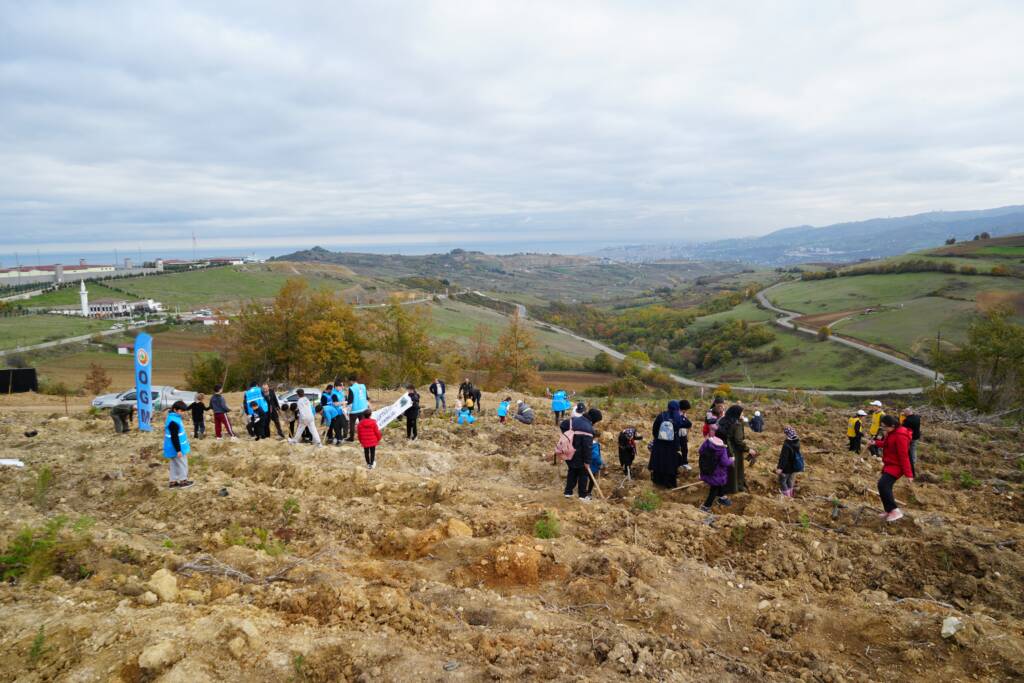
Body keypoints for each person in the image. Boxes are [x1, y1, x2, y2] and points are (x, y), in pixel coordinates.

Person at [875, 414, 913, 522]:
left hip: (897, 466)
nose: (884, 429)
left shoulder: (901, 435)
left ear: (892, 425)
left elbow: (904, 456)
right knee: (884, 486)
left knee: (883, 484)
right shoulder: (892, 432)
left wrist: (909, 474)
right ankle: (888, 510)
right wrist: (875, 443)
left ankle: (895, 511)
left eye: (885, 427)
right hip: (890, 464)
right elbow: (887, 444)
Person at [560, 408, 600, 501]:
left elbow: (563, 425)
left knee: (572, 471)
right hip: (580, 455)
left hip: (569, 451)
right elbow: (587, 447)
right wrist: (587, 461)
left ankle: (568, 492)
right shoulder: (589, 429)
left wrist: (568, 437)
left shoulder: (575, 419)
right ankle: (582, 496)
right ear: (594, 419)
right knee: (583, 474)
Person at [717, 405, 756, 494]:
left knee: (726, 468)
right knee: (735, 470)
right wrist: (748, 449)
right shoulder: (736, 424)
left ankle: (723, 486)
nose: (743, 414)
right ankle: (734, 488)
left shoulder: (723, 420)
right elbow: (738, 441)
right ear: (736, 413)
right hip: (734, 450)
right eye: (741, 413)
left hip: (724, 448)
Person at [648, 400, 684, 488]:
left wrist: (658, 437)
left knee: (659, 461)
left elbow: (654, 429)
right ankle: (669, 484)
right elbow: (679, 430)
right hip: (672, 445)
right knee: (670, 464)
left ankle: (657, 481)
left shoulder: (661, 416)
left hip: (659, 444)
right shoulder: (678, 417)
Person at [697, 429, 733, 511]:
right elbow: (725, 462)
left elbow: (700, 451)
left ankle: (722, 497)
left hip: (706, 469)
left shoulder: (707, 442)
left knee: (719, 484)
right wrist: (731, 460)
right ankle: (706, 506)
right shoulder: (722, 448)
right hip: (717, 472)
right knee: (714, 489)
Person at [163, 400, 193, 489]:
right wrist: (178, 450)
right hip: (177, 448)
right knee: (182, 463)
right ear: (175, 410)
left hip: (171, 447)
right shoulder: (174, 421)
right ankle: (183, 481)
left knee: (174, 464)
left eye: (184, 411)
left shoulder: (172, 417)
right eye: (182, 411)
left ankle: (173, 482)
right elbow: (174, 437)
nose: (183, 413)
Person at [775, 426, 803, 498]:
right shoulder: (796, 442)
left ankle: (787, 497)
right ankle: (791, 495)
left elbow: (783, 458)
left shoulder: (787, 445)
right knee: (790, 482)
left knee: (782, 481)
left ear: (786, 434)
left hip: (786, 468)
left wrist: (780, 468)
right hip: (793, 467)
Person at [900, 407, 922, 478]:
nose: (904, 413)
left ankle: (909, 463)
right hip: (916, 436)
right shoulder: (917, 418)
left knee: (907, 450)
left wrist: (902, 416)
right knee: (914, 449)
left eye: (905, 412)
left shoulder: (907, 420)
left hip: (909, 437)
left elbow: (901, 426)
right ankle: (914, 461)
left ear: (907, 413)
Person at [346, 376, 369, 442]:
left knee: (352, 424)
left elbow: (350, 400)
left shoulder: (351, 388)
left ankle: (351, 438)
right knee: (362, 424)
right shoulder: (363, 386)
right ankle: (364, 437)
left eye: (349, 381)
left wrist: (348, 410)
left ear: (351, 381)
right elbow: (366, 397)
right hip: (363, 408)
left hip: (354, 410)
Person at [584, 431, 604, 497]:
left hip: (584, 463)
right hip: (592, 465)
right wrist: (600, 463)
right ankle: (588, 492)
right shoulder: (595, 445)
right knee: (592, 480)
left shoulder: (586, 443)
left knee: (584, 478)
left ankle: (583, 491)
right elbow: (595, 456)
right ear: (596, 437)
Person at [678, 399, 693, 471]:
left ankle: (685, 463)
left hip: (683, 434)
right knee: (676, 449)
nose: (686, 411)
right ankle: (677, 463)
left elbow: (686, 423)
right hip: (676, 434)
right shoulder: (676, 413)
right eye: (685, 409)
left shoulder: (684, 414)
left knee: (685, 449)